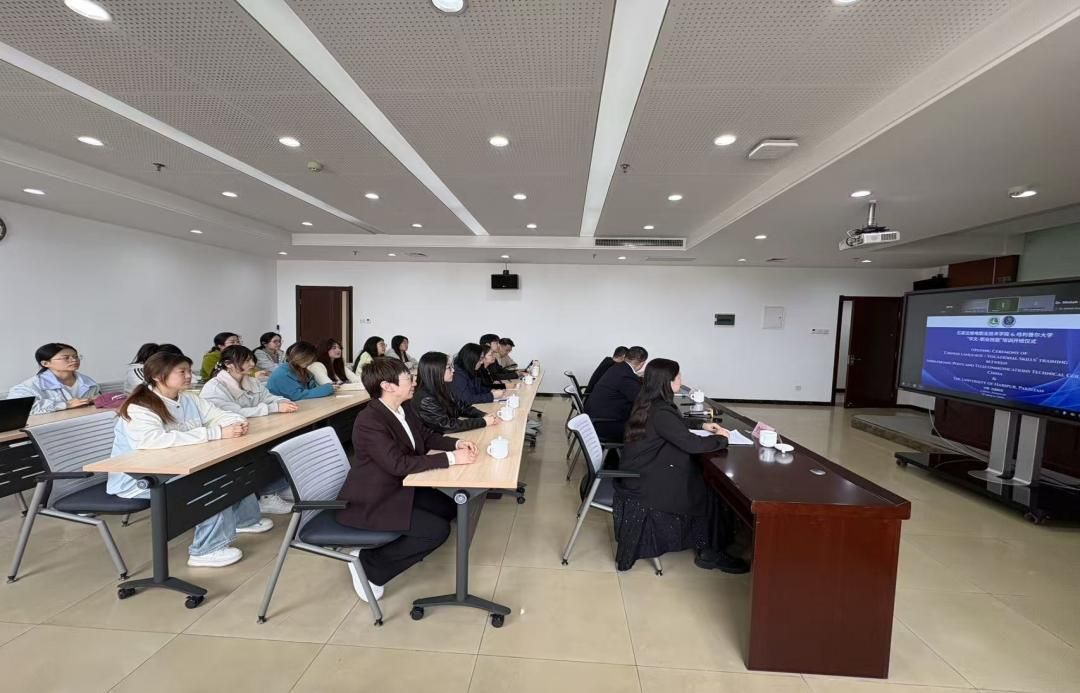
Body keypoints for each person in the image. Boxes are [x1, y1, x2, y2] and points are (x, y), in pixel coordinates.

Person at [107, 351, 273, 568]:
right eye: (182, 372)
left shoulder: (189, 398)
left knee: (236, 469)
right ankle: (205, 550)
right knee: (212, 484)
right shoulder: (140, 406)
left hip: (178, 465)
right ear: (157, 376)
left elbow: (219, 414)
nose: (189, 376)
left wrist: (235, 422)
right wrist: (215, 433)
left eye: (188, 370)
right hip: (141, 478)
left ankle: (245, 520)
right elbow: (151, 441)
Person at [336, 357, 479, 601]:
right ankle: (368, 564)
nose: (414, 382)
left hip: (400, 486)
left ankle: (400, 548)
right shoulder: (370, 420)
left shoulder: (404, 407)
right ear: (387, 386)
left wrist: (456, 444)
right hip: (374, 498)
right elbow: (398, 464)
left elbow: (426, 437)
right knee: (436, 531)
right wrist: (451, 459)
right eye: (408, 378)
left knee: (449, 506)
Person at [612, 358, 748, 574]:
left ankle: (713, 545)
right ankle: (711, 552)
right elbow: (691, 444)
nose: (681, 380)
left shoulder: (650, 401)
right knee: (710, 491)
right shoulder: (661, 411)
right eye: (678, 377)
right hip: (648, 480)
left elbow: (674, 426)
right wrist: (722, 439)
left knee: (705, 483)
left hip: (643, 469)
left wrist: (701, 424)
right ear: (667, 382)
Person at [201, 345, 300, 515]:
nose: (252, 364)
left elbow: (267, 397)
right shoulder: (215, 387)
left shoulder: (250, 381)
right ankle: (267, 496)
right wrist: (273, 408)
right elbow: (233, 412)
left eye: (251, 359)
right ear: (229, 364)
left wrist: (281, 401)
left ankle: (280, 488)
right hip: (229, 436)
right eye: (246, 361)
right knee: (263, 453)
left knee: (281, 445)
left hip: (251, 429)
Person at [412, 351, 500, 434]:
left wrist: (483, 415)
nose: (453, 370)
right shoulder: (425, 399)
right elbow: (447, 425)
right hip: (440, 440)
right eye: (449, 368)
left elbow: (461, 407)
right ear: (436, 371)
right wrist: (483, 421)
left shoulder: (443, 386)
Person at [8, 343, 101, 415]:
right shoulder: (28, 387)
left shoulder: (89, 383)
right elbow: (16, 408)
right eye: (66, 358)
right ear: (45, 363)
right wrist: (66, 404)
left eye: (75, 356)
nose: (74, 360)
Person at [584, 345, 648, 442]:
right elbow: (641, 400)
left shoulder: (617, 368)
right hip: (603, 425)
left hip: (593, 418)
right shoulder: (627, 377)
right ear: (642, 363)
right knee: (646, 430)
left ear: (626, 357)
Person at [267, 341, 335, 400]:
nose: (310, 360)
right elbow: (297, 396)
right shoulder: (282, 373)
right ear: (297, 355)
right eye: (308, 357)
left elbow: (310, 390)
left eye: (312, 357)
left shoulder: (303, 371)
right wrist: (328, 388)